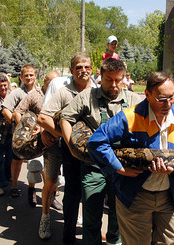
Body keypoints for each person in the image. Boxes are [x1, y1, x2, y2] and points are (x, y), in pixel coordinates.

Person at [88, 72, 174, 244]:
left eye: (172, 97)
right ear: (147, 95)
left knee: (171, 239)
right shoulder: (130, 117)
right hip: (136, 194)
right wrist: (118, 168)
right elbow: (96, 142)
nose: (168, 104)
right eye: (161, 99)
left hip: (167, 195)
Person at [60, 58, 142, 245]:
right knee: (91, 214)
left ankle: (115, 241)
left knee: (118, 213)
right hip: (92, 166)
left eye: (118, 80)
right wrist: (72, 147)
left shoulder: (134, 100)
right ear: (100, 77)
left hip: (123, 166)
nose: (114, 85)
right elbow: (65, 118)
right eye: (109, 80)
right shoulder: (87, 96)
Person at [36, 52, 97, 242]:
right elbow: (42, 118)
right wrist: (67, 136)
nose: (83, 70)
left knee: (93, 193)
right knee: (72, 193)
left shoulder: (97, 90)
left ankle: (91, 236)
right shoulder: (64, 92)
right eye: (79, 67)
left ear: (92, 69)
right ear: (71, 70)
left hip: (95, 152)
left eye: (86, 67)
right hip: (70, 152)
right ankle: (68, 236)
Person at [14, 70, 61, 207]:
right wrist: (26, 129)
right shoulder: (34, 95)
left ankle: (51, 197)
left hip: (54, 141)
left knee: (54, 173)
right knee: (34, 168)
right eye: (51, 82)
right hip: (35, 140)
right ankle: (31, 189)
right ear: (45, 81)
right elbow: (17, 112)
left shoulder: (60, 94)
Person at [2, 64, 38, 198]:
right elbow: (5, 109)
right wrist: (20, 124)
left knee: (35, 163)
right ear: (21, 77)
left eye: (31, 75)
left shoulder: (40, 92)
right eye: (26, 75)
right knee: (17, 160)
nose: (29, 78)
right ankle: (15, 186)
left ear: (35, 76)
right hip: (20, 135)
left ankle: (31, 188)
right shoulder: (17, 93)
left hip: (36, 134)